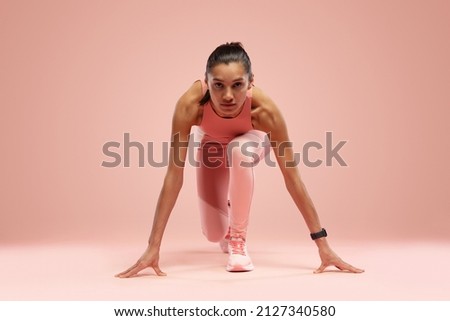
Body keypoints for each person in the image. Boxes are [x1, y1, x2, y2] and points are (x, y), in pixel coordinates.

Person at [116, 42, 364, 276]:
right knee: (213, 234)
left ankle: (238, 244)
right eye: (218, 85)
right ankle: (230, 213)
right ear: (207, 82)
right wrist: (153, 247)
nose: (227, 96)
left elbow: (293, 179)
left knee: (238, 150)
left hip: (251, 142)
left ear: (250, 83)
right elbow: (173, 176)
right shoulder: (189, 105)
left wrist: (323, 244)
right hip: (211, 146)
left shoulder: (265, 111)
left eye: (237, 85)